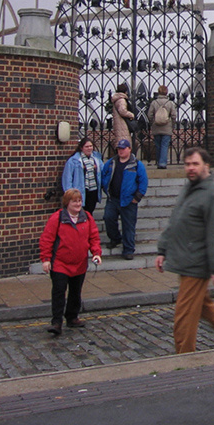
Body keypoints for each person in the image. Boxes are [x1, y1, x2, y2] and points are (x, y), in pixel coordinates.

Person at [155, 147, 214, 353]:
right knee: (205, 307)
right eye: (187, 164)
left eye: (195, 164)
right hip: (184, 258)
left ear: (206, 166)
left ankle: (184, 356)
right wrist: (162, 249)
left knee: (183, 315)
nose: (190, 168)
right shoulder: (189, 187)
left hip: (197, 262)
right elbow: (176, 220)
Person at [39, 189, 102, 336]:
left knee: (75, 292)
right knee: (59, 292)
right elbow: (47, 239)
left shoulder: (87, 217)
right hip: (60, 263)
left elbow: (93, 237)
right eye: (74, 201)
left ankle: (72, 317)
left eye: (79, 201)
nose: (78, 204)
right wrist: (46, 259)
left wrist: (96, 253)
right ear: (67, 203)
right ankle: (56, 322)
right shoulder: (57, 218)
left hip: (79, 263)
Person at [101, 137, 148, 259]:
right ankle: (115, 238)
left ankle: (128, 249)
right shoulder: (111, 162)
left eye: (123, 149)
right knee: (108, 218)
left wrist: (137, 197)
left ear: (129, 149)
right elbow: (104, 174)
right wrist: (105, 186)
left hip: (129, 200)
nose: (121, 151)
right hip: (113, 199)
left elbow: (143, 182)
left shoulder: (137, 164)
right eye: (119, 149)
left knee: (128, 225)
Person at [62, 137, 103, 214]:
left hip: (93, 190)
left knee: (90, 213)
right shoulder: (73, 161)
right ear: (81, 148)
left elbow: (103, 172)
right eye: (86, 146)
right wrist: (69, 193)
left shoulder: (97, 159)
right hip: (79, 192)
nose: (89, 148)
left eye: (91, 146)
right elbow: (67, 178)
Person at [146, 85, 177, 170]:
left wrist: (153, 122)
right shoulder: (170, 103)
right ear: (166, 92)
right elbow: (174, 115)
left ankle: (158, 161)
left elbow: (149, 115)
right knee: (164, 145)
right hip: (167, 127)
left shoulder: (154, 103)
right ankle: (162, 163)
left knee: (158, 145)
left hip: (156, 127)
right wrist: (172, 124)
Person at [110, 82, 136, 149]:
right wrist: (131, 115)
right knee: (124, 142)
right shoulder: (121, 100)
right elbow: (122, 111)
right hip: (122, 124)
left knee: (120, 140)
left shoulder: (117, 99)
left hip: (119, 123)